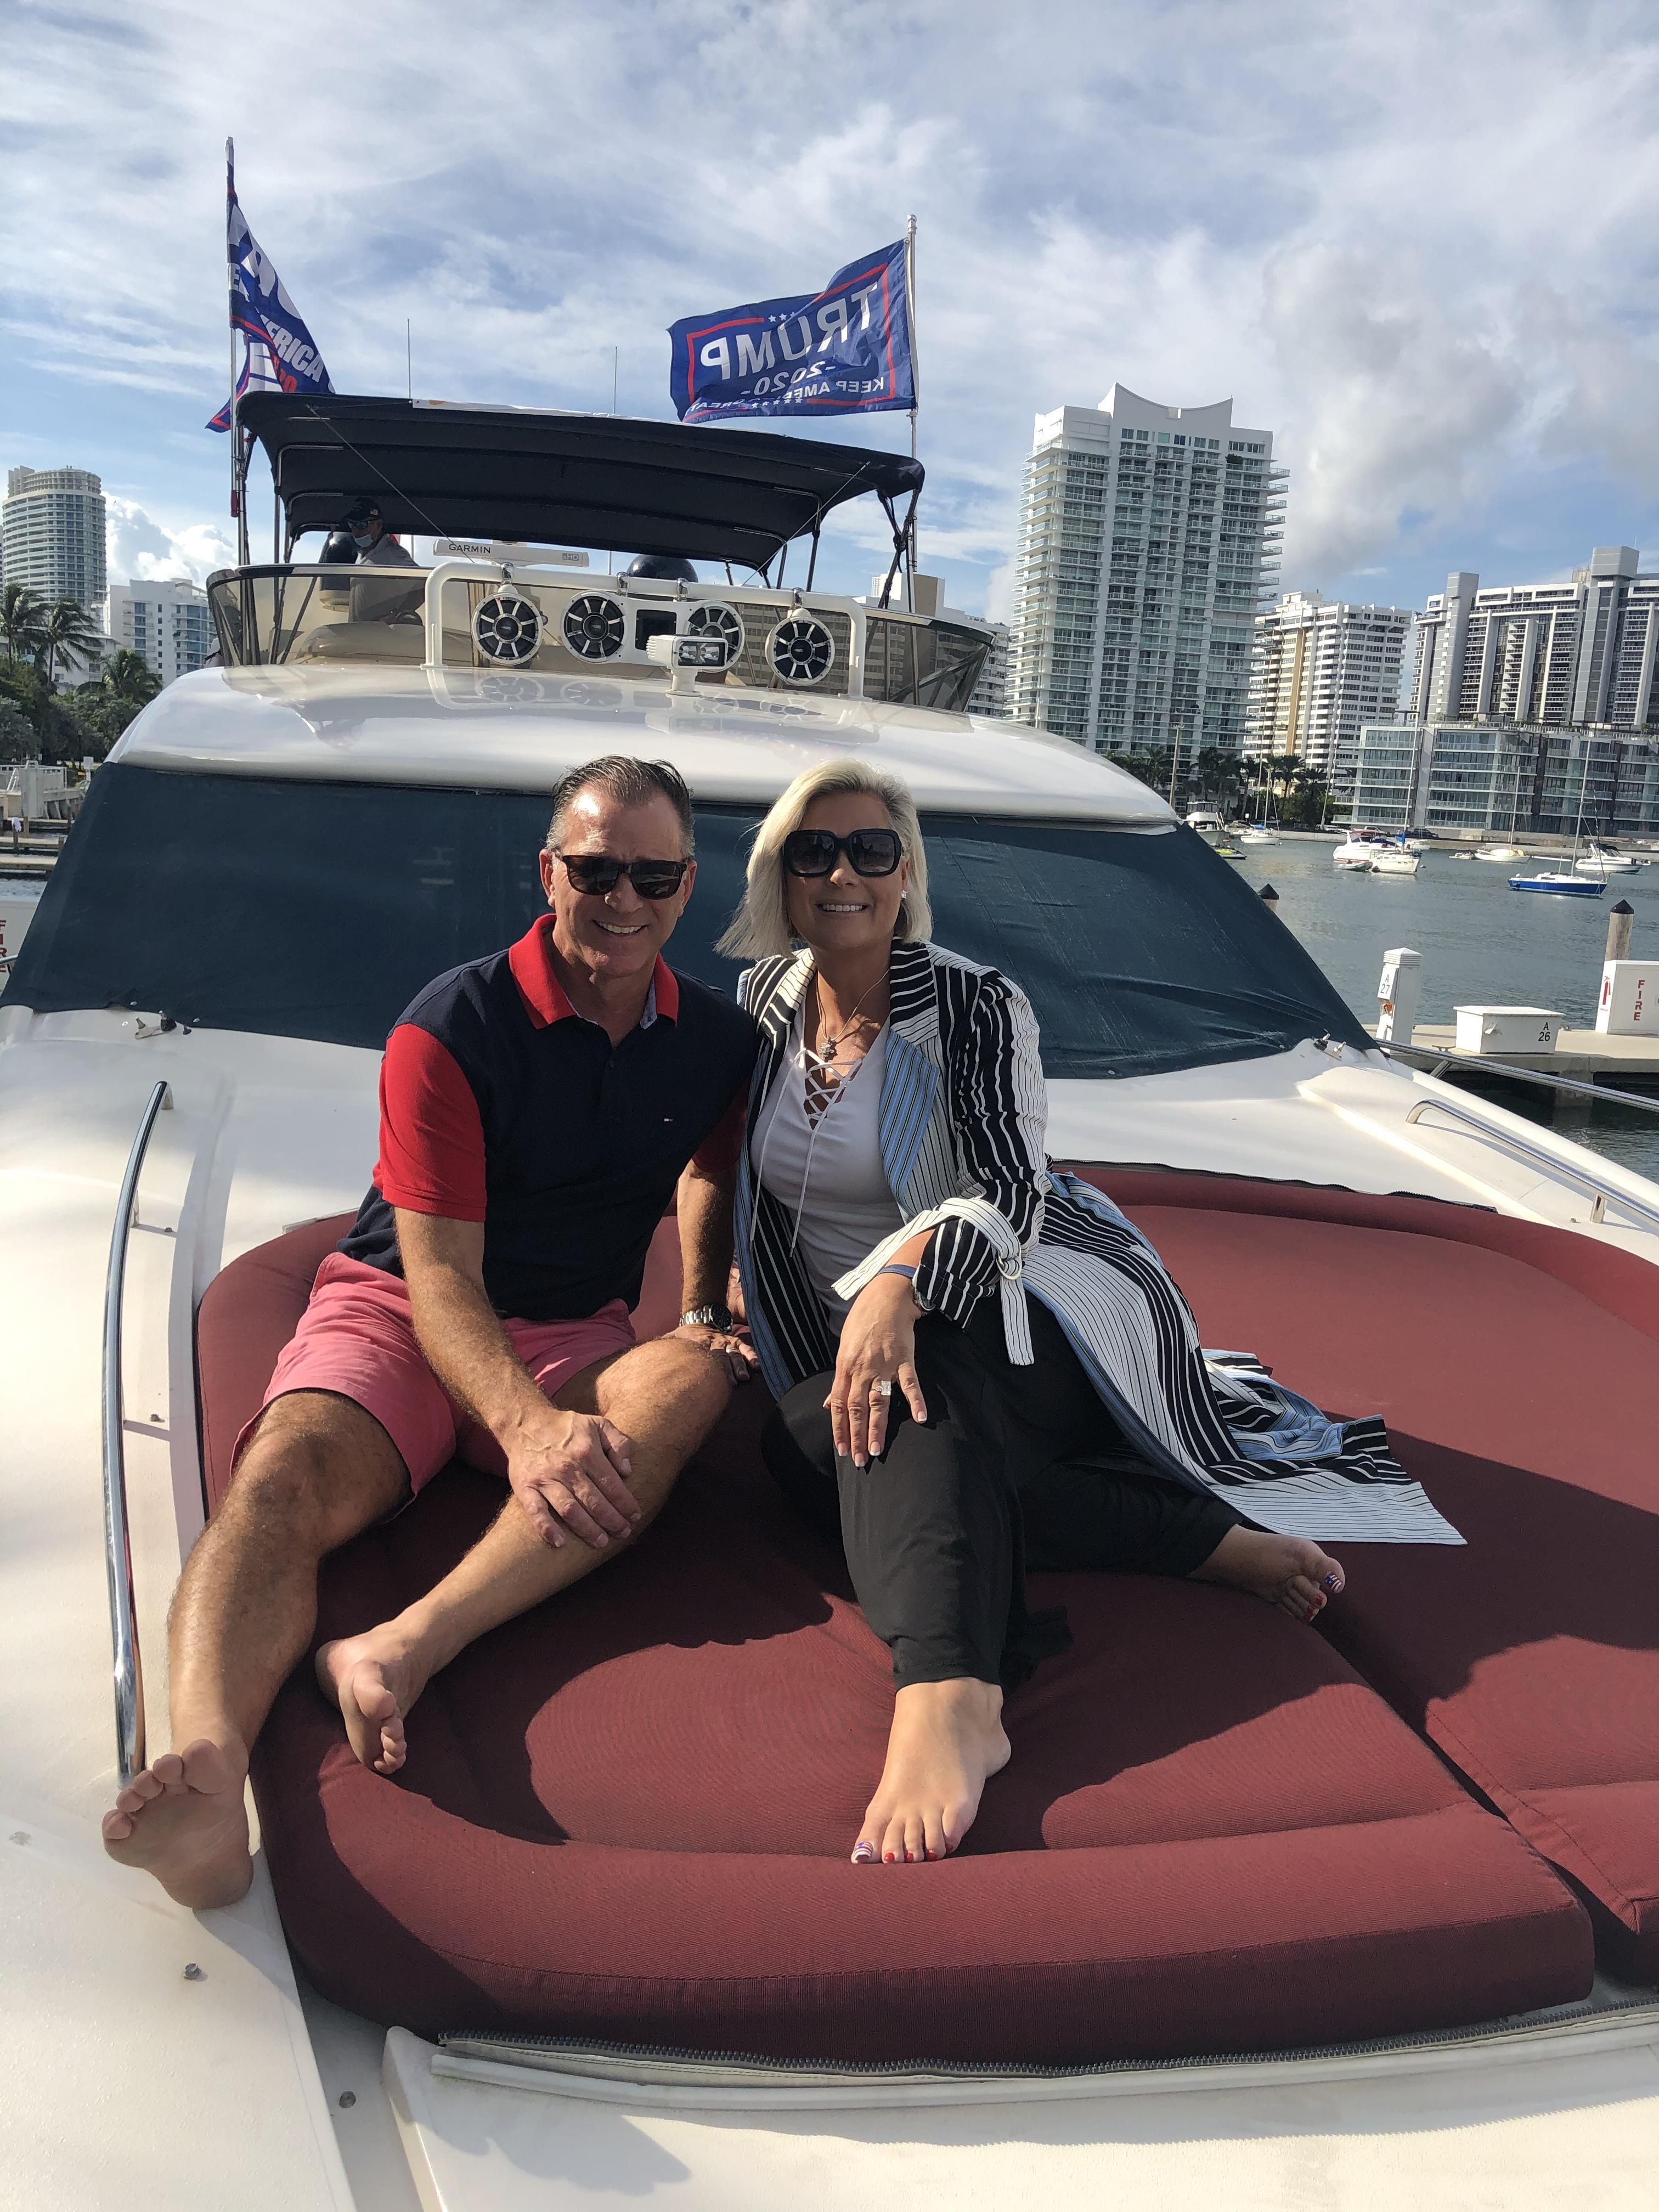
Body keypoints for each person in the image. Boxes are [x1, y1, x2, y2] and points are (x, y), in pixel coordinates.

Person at [724, 758, 1453, 1871]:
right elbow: (730, 1168)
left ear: (905, 874)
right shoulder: (764, 1002)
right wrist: (717, 1291)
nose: (842, 874)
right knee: (803, 1452)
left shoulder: (973, 1004)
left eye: (870, 850)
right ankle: (1188, 1540)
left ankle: (953, 1692)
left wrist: (896, 1281)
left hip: (1030, 1310)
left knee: (917, 1390)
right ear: (778, 875)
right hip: (859, 1339)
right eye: (812, 851)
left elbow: (1005, 1192)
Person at [103, 755, 758, 1908]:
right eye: (596, 870)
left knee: (692, 1380)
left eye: (652, 876)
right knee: (283, 1477)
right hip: (403, 1307)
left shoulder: (714, 1041)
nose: (623, 898)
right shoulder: (453, 1025)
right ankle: (204, 1772)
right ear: (550, 873)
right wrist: (529, 1430)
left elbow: (717, 1166)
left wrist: (706, 1301)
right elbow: (441, 1274)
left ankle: (403, 1644)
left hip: (571, 1330)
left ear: (686, 887)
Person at [331, 498, 417, 566]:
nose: (355, 531)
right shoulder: (361, 553)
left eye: (362, 525)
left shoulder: (395, 556)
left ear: (379, 525)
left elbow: (419, 581)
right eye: (351, 525)